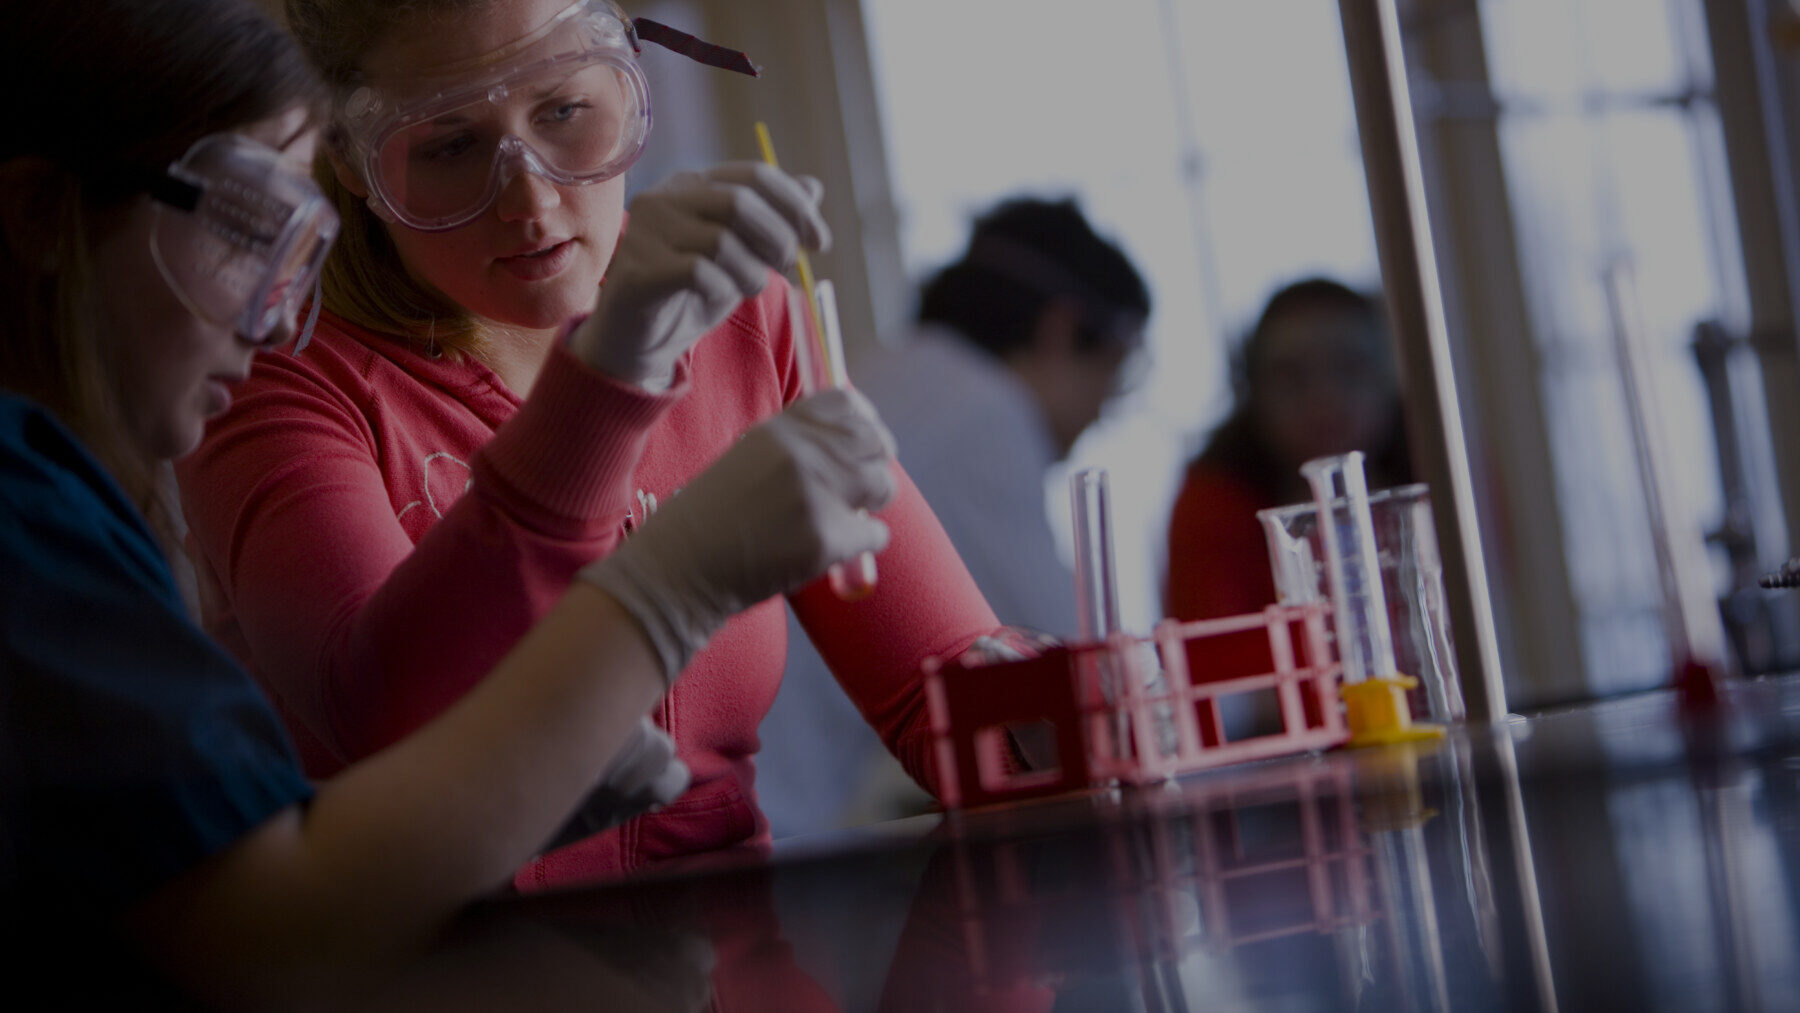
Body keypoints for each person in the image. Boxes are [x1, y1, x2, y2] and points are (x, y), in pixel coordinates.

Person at [0, 0, 897, 1004]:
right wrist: (669, 586)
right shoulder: (27, 514)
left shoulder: (67, 502)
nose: (273, 313)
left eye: (563, 109)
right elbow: (263, 930)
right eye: (247, 223)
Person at [174, 0, 1005, 887]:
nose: (530, 201)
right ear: (351, 160)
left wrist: (1093, 701)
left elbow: (949, 702)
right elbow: (379, 720)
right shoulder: (277, 374)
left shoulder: (738, 315)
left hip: (735, 958)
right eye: (450, 147)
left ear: (627, 86)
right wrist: (610, 377)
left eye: (565, 112)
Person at [762, 195, 1151, 837]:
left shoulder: (886, 367)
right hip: (776, 811)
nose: (1106, 410)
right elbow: (1086, 682)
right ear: (1059, 331)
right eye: (1116, 373)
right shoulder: (983, 416)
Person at [1163, 277, 1410, 683]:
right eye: (1291, 376)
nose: (1324, 398)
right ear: (1254, 392)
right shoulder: (1211, 502)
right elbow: (1221, 678)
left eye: (1351, 367)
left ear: (1386, 378)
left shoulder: (1440, 476)